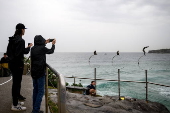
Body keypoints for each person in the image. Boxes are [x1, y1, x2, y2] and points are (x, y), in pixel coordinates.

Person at [6, 23, 33, 111]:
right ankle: (14, 105)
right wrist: (29, 47)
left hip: (12, 64)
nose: (24, 30)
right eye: (24, 29)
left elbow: (10, 52)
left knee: (15, 84)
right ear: (21, 30)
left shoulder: (12, 39)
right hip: (18, 65)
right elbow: (21, 53)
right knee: (17, 84)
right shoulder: (21, 41)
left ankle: (16, 101)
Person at [31, 35, 56, 113]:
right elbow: (51, 51)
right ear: (41, 41)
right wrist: (53, 44)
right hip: (40, 72)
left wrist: (45, 42)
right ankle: (35, 110)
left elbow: (40, 46)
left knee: (35, 90)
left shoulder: (33, 48)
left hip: (34, 72)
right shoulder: (42, 48)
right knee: (41, 91)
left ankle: (34, 109)